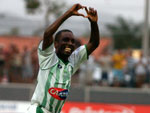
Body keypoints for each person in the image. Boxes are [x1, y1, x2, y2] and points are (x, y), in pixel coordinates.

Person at [27, 4, 100, 113]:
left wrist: (93, 23)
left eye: (72, 41)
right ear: (55, 44)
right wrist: (68, 13)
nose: (69, 44)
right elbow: (47, 34)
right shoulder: (48, 57)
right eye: (65, 40)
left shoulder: (73, 60)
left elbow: (94, 43)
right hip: (39, 110)